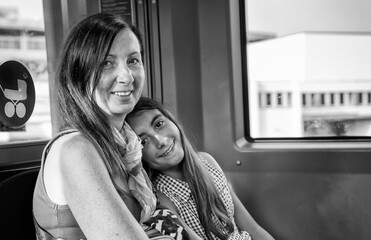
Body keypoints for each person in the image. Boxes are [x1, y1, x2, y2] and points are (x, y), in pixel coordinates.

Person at [33, 13, 161, 239]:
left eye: (133, 60)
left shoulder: (126, 145)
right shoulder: (76, 150)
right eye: (107, 63)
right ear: (79, 74)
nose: (127, 77)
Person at [126, 97, 275, 240]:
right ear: (138, 155)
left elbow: (252, 228)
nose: (161, 141)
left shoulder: (206, 161)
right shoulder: (162, 198)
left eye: (159, 124)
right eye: (144, 141)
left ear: (173, 121)